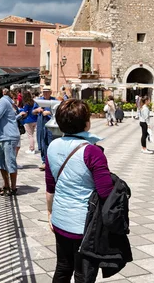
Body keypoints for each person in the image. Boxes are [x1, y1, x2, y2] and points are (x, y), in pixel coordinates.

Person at [45, 99, 114, 282]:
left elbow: (50, 188)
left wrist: (50, 213)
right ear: (86, 123)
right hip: (84, 225)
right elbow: (106, 191)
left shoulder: (52, 146)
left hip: (60, 219)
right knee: (83, 274)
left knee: (62, 267)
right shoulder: (92, 151)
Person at [34, 86, 56, 171]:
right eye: (44, 92)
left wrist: (49, 112)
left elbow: (59, 110)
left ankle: (50, 162)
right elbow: (33, 111)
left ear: (50, 92)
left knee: (50, 142)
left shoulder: (54, 100)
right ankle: (44, 161)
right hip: (41, 124)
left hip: (51, 124)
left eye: (47, 92)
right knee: (42, 142)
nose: (45, 93)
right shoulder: (39, 100)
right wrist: (37, 110)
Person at [19, 91, 38, 155]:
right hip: (35, 120)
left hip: (28, 121)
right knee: (32, 135)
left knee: (30, 135)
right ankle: (32, 148)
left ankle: (31, 149)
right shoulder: (33, 102)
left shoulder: (26, 104)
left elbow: (24, 112)